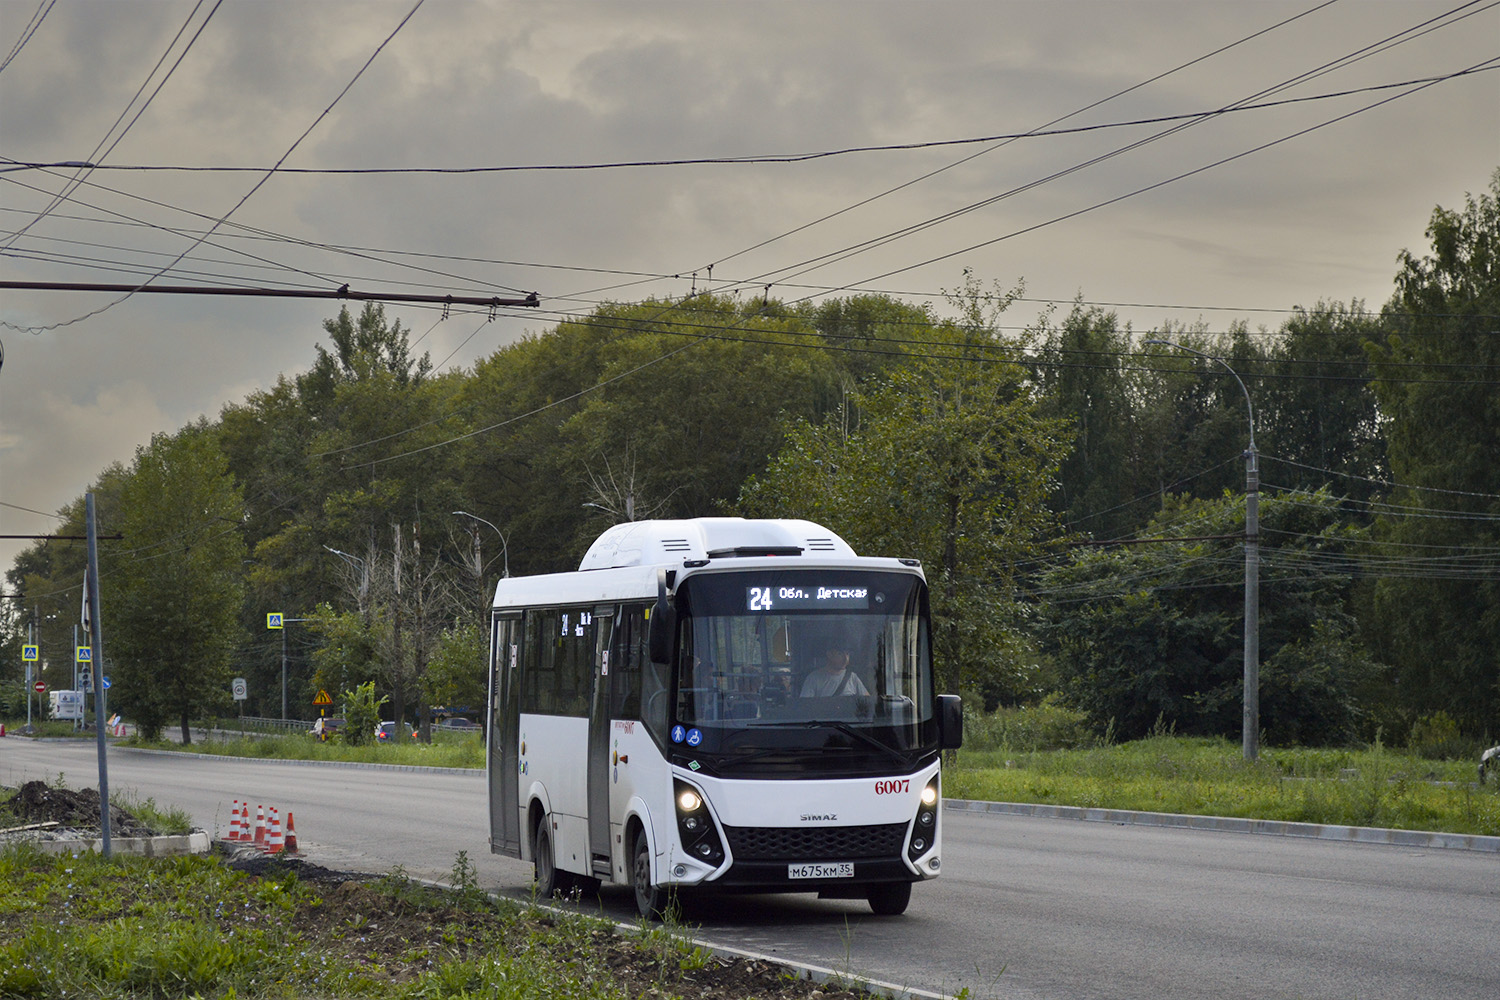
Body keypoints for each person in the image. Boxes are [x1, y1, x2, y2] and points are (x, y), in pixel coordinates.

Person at [800, 644, 869, 697]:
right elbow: (806, 707)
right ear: (829, 654)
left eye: (847, 654)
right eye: (840, 654)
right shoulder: (813, 678)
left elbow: (867, 701)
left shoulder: (852, 677)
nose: (846, 659)